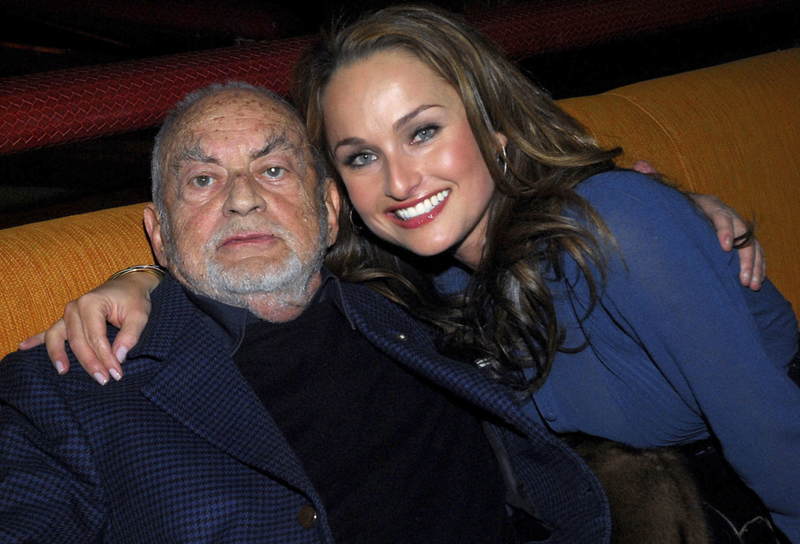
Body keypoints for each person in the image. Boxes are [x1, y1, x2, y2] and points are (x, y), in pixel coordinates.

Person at [24, 5, 799, 542]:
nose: (400, 181)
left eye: (422, 131)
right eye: (362, 154)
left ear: (492, 126)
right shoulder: (413, 284)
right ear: (342, 195)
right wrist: (143, 274)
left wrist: (663, 212)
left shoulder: (617, 228)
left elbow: (779, 451)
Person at [0, 82, 616, 543]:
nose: (243, 199)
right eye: (203, 181)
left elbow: (560, 230)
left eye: (273, 170)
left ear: (328, 211)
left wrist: (654, 205)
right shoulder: (57, 389)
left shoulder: (422, 292)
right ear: (159, 235)